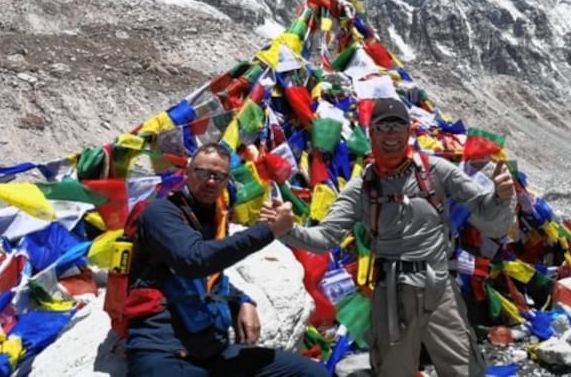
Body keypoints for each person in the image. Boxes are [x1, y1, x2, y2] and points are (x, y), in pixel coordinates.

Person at [262, 98, 516, 377]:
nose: (391, 134)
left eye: (398, 126)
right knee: (393, 371)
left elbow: (488, 218)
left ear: (409, 132)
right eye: (382, 127)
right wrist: (288, 230)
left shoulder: (436, 171)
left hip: (439, 289)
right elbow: (325, 237)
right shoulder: (362, 188)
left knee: (463, 370)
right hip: (390, 294)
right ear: (370, 134)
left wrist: (501, 199)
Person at [125, 143, 327, 377]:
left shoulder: (213, 220)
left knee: (311, 373)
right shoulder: (161, 214)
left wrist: (242, 300)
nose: (210, 181)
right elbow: (194, 260)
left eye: (219, 176)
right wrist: (268, 231)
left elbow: (210, 278)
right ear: (187, 172)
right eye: (202, 173)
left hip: (211, 353)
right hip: (163, 353)